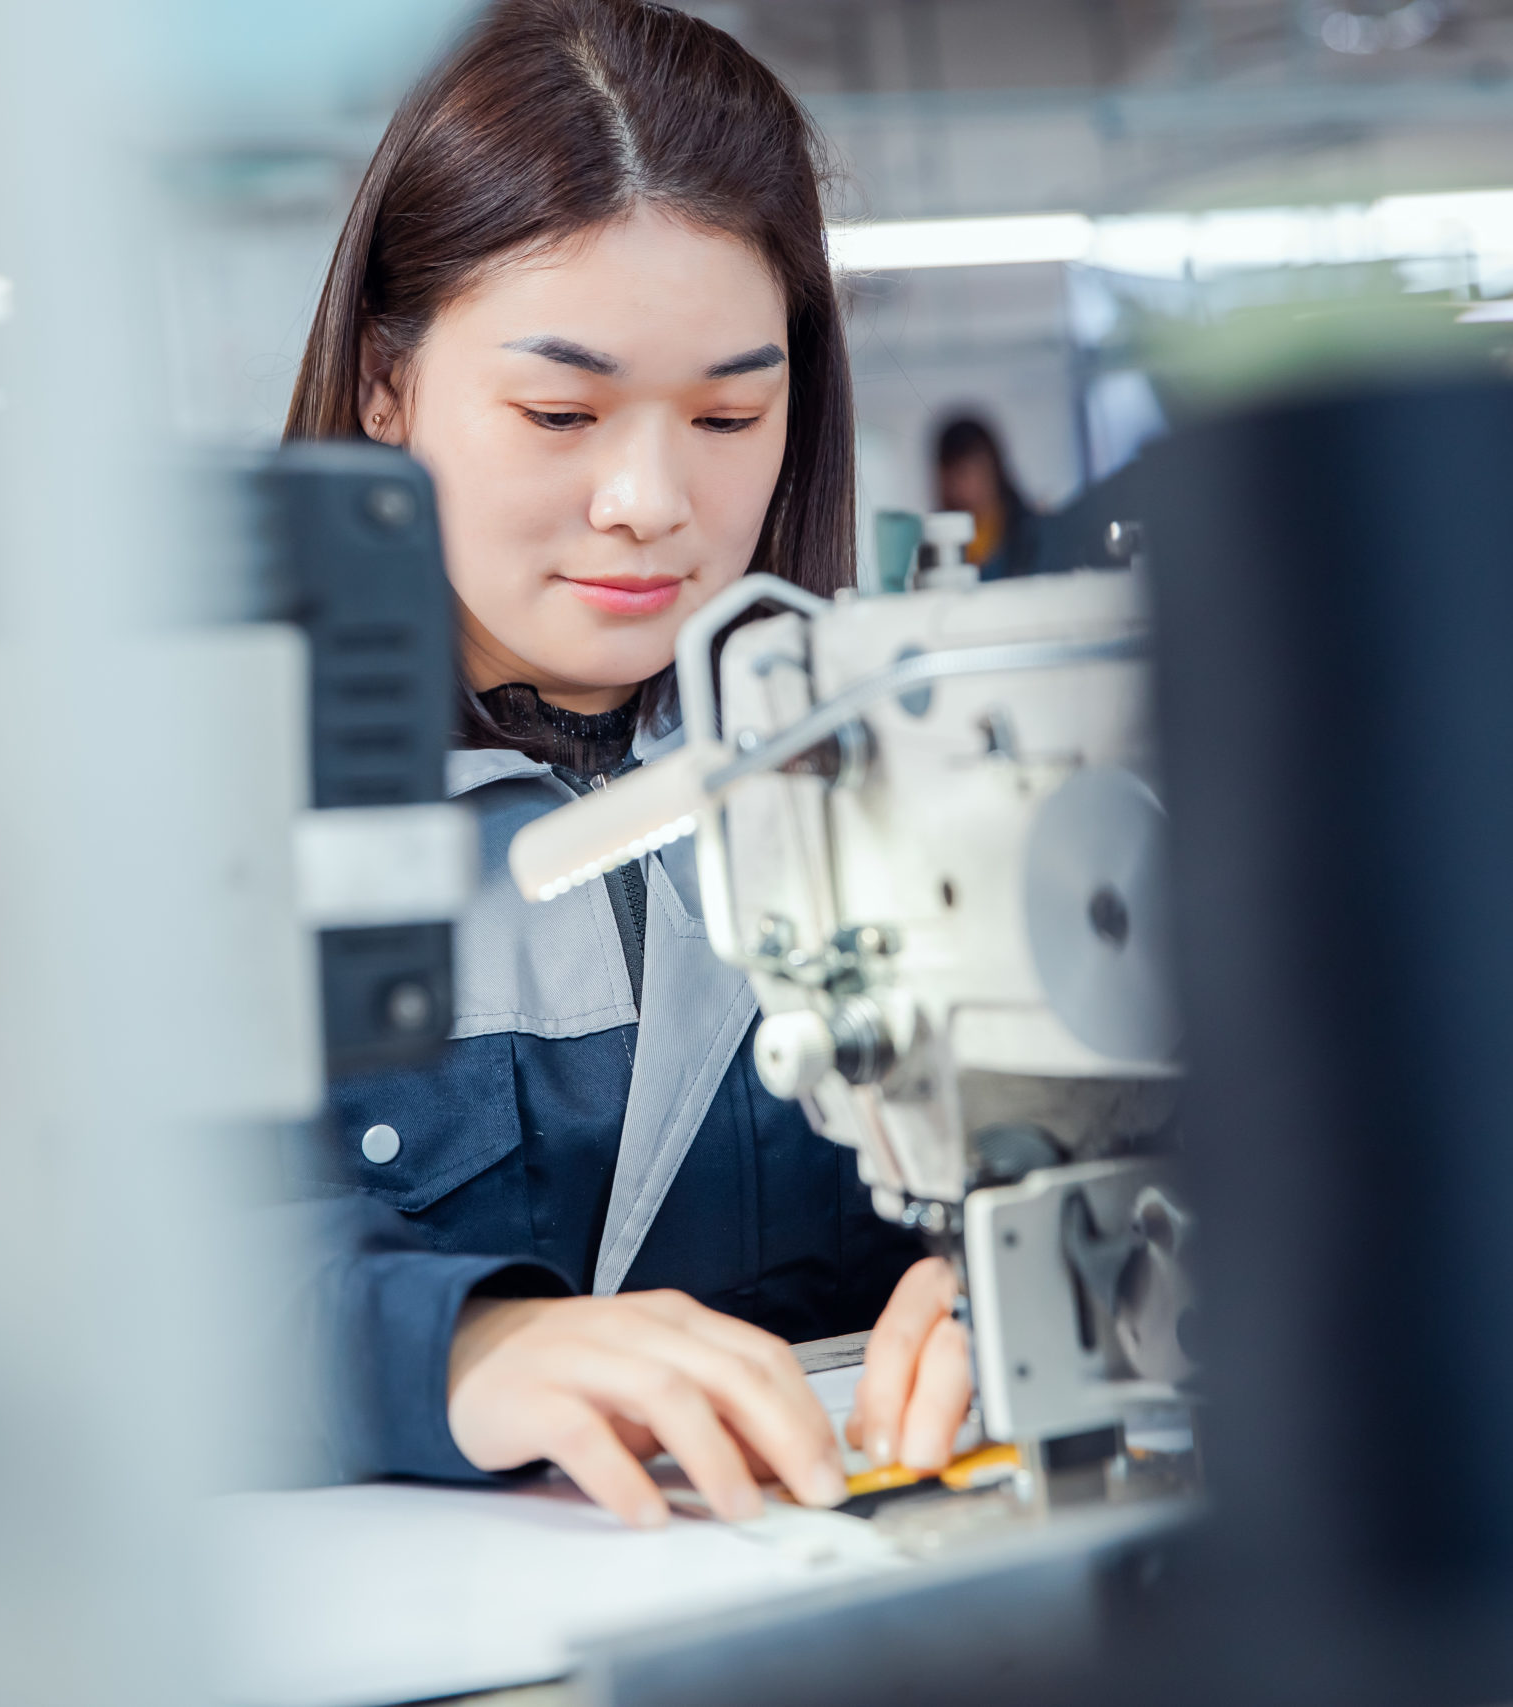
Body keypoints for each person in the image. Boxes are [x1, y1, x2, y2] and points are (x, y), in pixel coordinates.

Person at [277, 0, 974, 1530]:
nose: (651, 498)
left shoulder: (901, 760)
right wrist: (463, 1340)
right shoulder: (211, 798)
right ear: (387, 389)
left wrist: (1000, 1287)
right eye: (560, 411)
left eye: (730, 411)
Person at [932, 413, 1042, 580]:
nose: (960, 489)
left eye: (966, 473)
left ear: (993, 470)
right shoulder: (932, 541)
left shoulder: (1032, 533)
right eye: (950, 477)